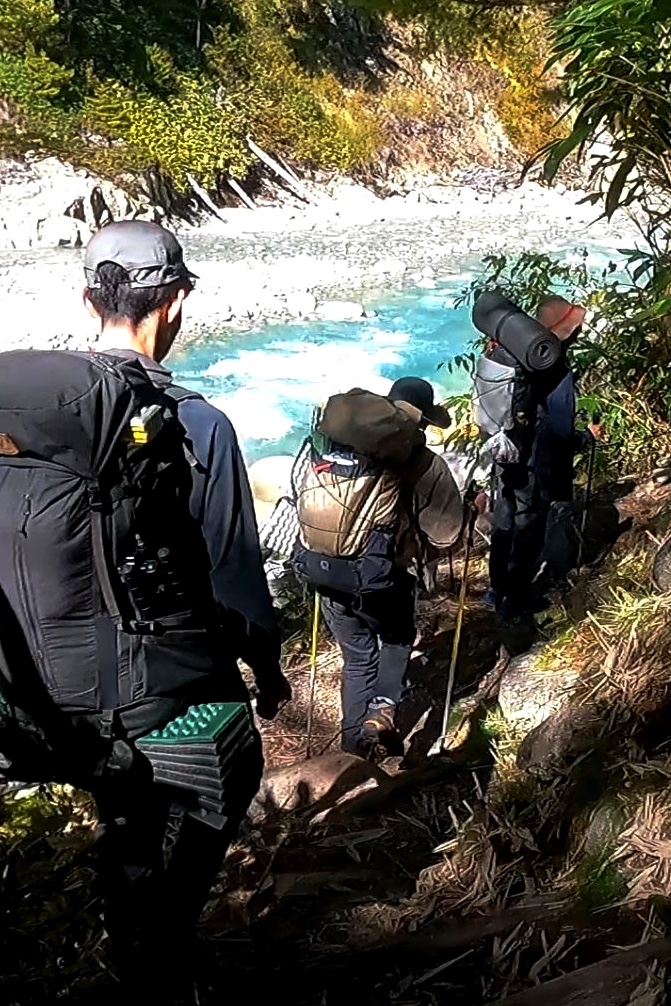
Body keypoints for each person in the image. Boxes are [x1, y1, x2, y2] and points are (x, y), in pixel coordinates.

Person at [79, 221, 292, 1001]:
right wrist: (265, 671)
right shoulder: (194, 423)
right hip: (152, 683)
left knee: (121, 802)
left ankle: (126, 931)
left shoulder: (31, 419)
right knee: (228, 773)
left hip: (39, 686)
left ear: (86, 299)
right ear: (174, 303)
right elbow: (235, 572)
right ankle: (159, 952)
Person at [312, 377, 466, 757]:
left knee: (357, 656)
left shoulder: (339, 447)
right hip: (382, 575)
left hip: (324, 569)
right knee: (396, 638)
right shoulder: (424, 462)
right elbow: (446, 535)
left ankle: (352, 751)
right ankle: (382, 709)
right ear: (424, 421)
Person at [488, 294, 604, 620]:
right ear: (565, 330)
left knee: (504, 522)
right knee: (528, 530)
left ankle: (496, 592)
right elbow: (559, 431)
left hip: (504, 452)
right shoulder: (552, 366)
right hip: (531, 462)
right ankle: (515, 604)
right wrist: (585, 438)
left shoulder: (512, 351)